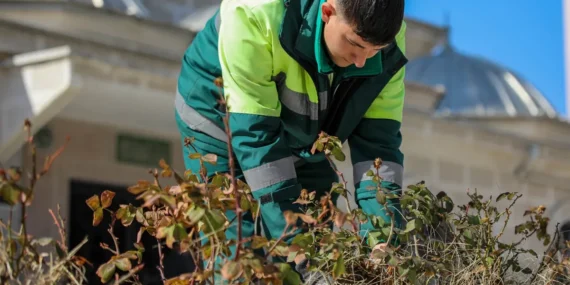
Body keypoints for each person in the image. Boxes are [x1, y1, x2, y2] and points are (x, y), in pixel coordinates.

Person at [174, 0, 407, 281]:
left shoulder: (389, 37)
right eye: (354, 44)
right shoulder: (255, 12)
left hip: (304, 134)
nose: (363, 61)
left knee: (319, 233)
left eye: (376, 51)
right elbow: (257, 141)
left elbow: (378, 146)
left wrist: (384, 237)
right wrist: (303, 255)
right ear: (328, 11)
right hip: (218, 121)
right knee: (237, 254)